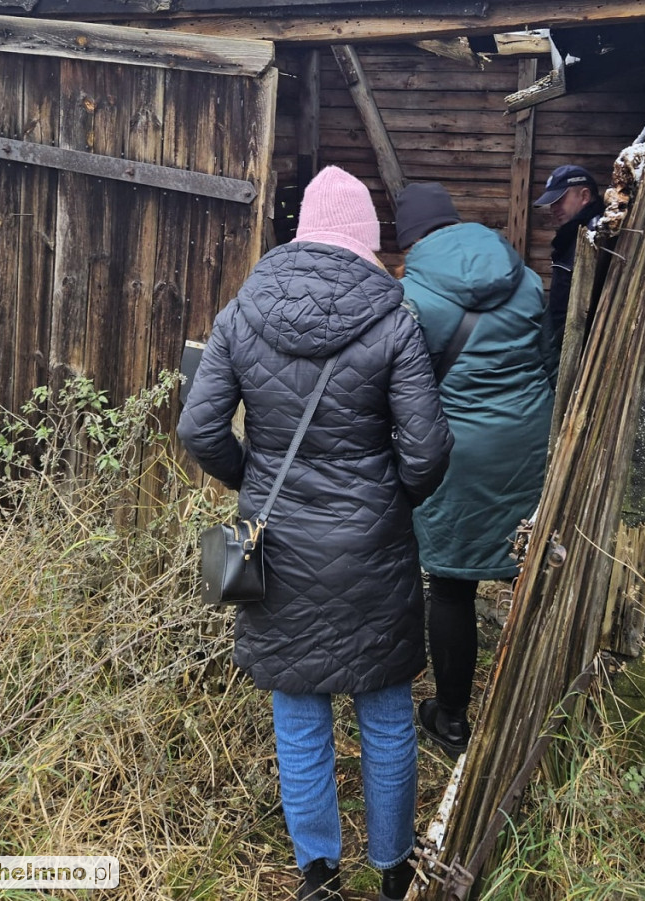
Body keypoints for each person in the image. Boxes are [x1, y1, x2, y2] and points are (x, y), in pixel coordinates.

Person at [178, 166, 453, 901]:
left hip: (282, 546)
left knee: (299, 711)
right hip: (374, 548)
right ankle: (394, 872)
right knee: (389, 710)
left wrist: (253, 481)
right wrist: (388, 501)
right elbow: (427, 450)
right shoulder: (394, 318)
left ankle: (318, 876)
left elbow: (198, 427)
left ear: (302, 232)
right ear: (365, 238)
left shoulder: (243, 312)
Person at [394, 182, 555, 760]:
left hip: (459, 451)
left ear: (409, 237)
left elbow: (403, 388)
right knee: (532, 570)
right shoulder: (528, 280)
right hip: (531, 442)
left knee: (453, 585)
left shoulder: (411, 297)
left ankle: (452, 720)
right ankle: (535, 711)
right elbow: (550, 357)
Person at [533, 164, 605, 352]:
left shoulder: (596, 236)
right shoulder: (571, 236)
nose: (553, 208)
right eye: (552, 202)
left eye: (560, 199)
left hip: (580, 349)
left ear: (584, 196)